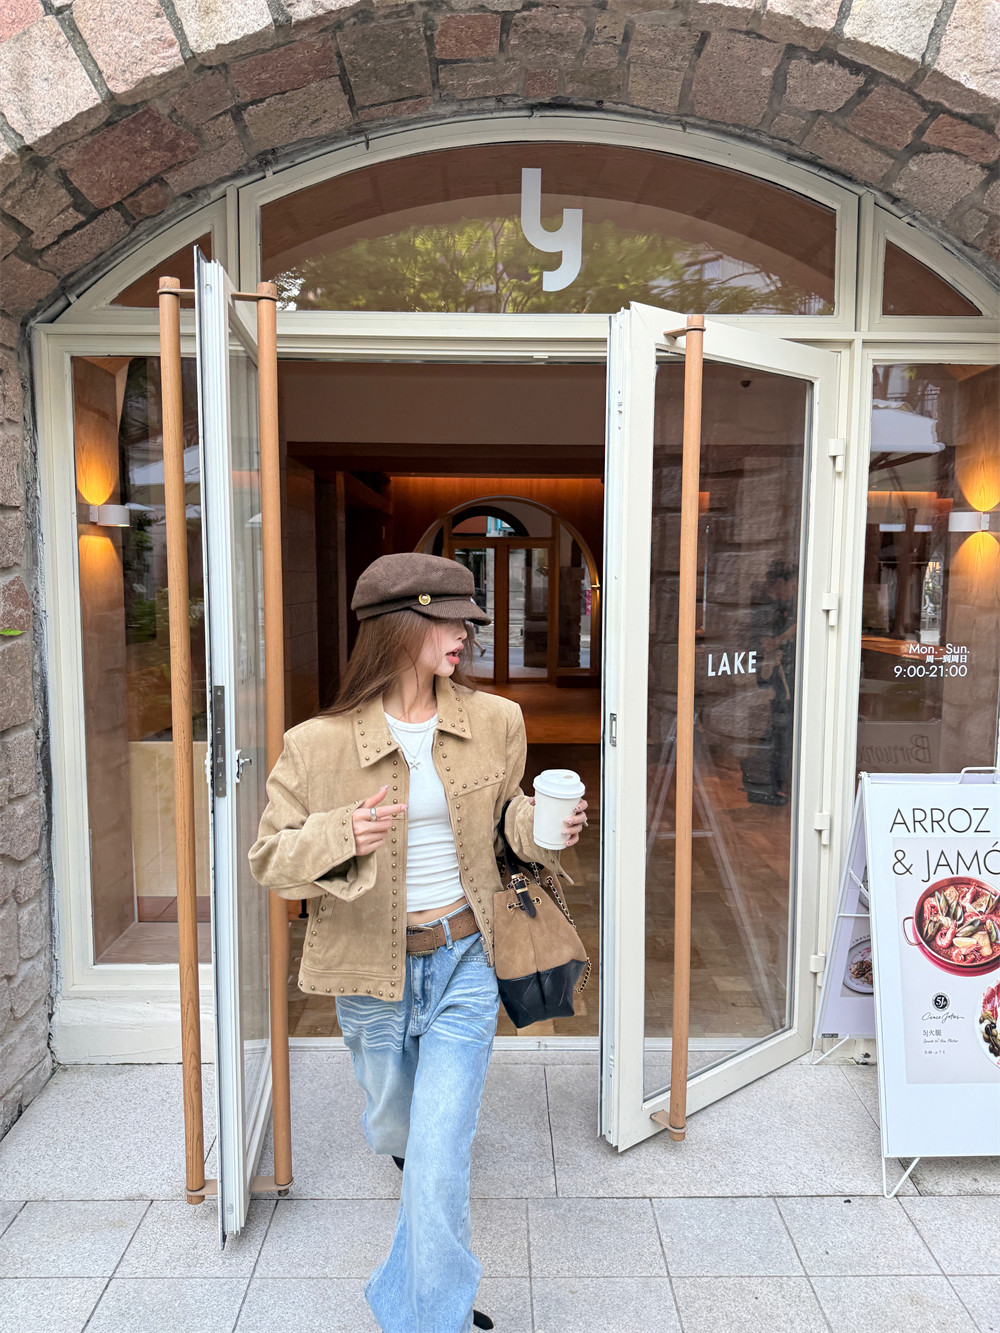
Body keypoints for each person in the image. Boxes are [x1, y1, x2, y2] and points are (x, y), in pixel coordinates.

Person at [249, 552, 588, 1333]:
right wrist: (343, 831)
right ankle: (417, 1266)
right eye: (452, 620)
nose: (468, 633)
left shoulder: (496, 721)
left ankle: (432, 1316)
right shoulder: (317, 743)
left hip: (467, 959)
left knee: (437, 1163)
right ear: (401, 627)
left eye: (469, 620)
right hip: (370, 972)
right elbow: (271, 858)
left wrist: (544, 827)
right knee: (397, 1133)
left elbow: (505, 826)